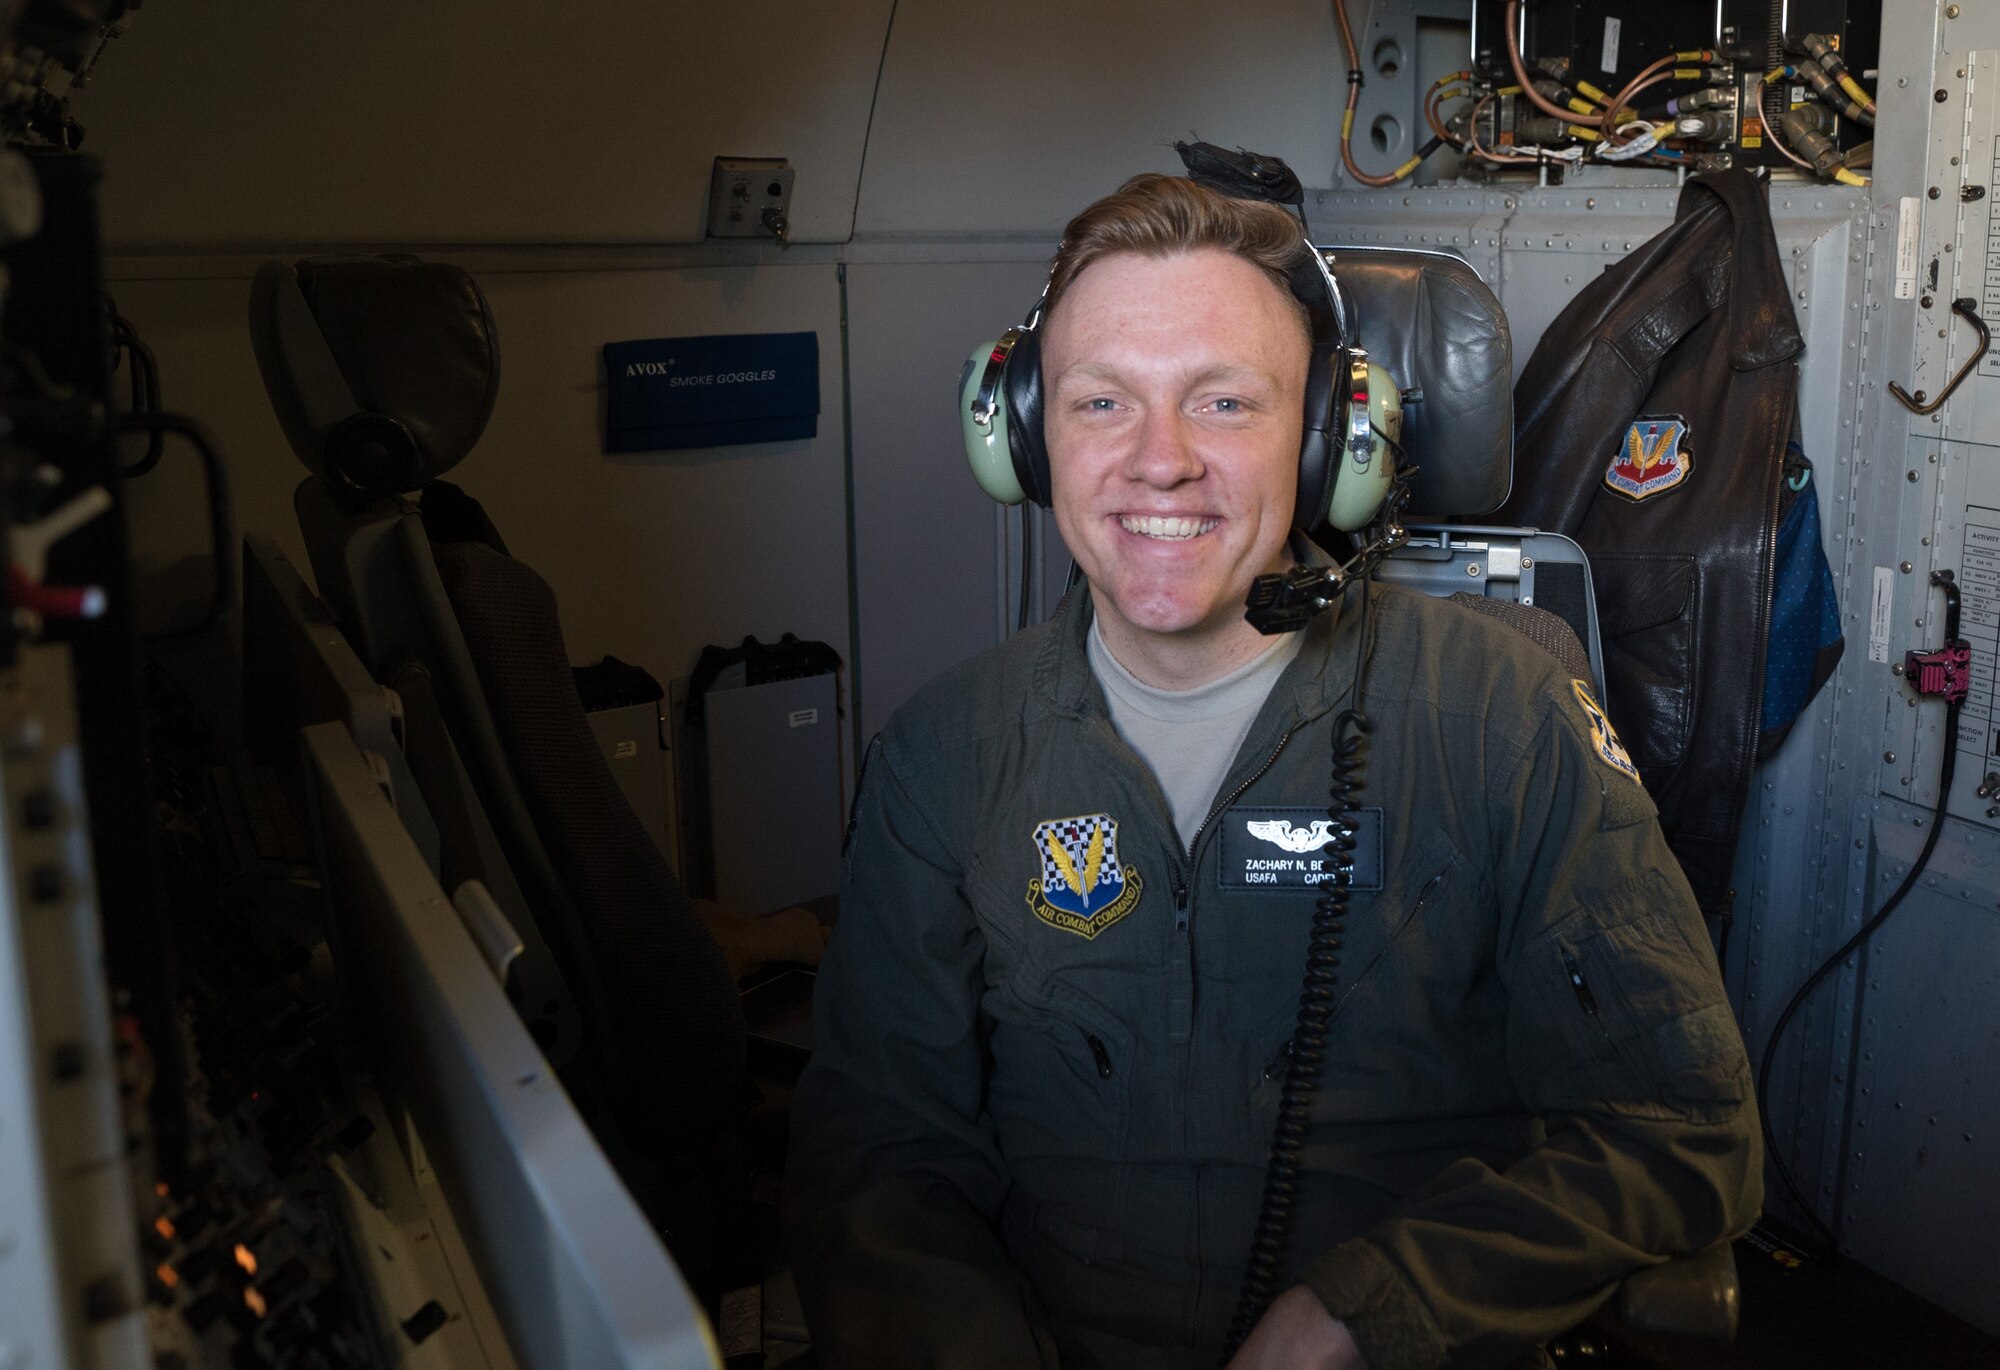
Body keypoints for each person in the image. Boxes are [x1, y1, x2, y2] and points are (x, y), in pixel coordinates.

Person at [784, 173, 1760, 1370]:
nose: (1160, 463)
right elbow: (879, 1163)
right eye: (1101, 402)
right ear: (1023, 436)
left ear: (1325, 444)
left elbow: (1682, 1124)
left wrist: (1365, 1306)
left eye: (1225, 403)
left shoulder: (1500, 717)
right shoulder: (944, 755)